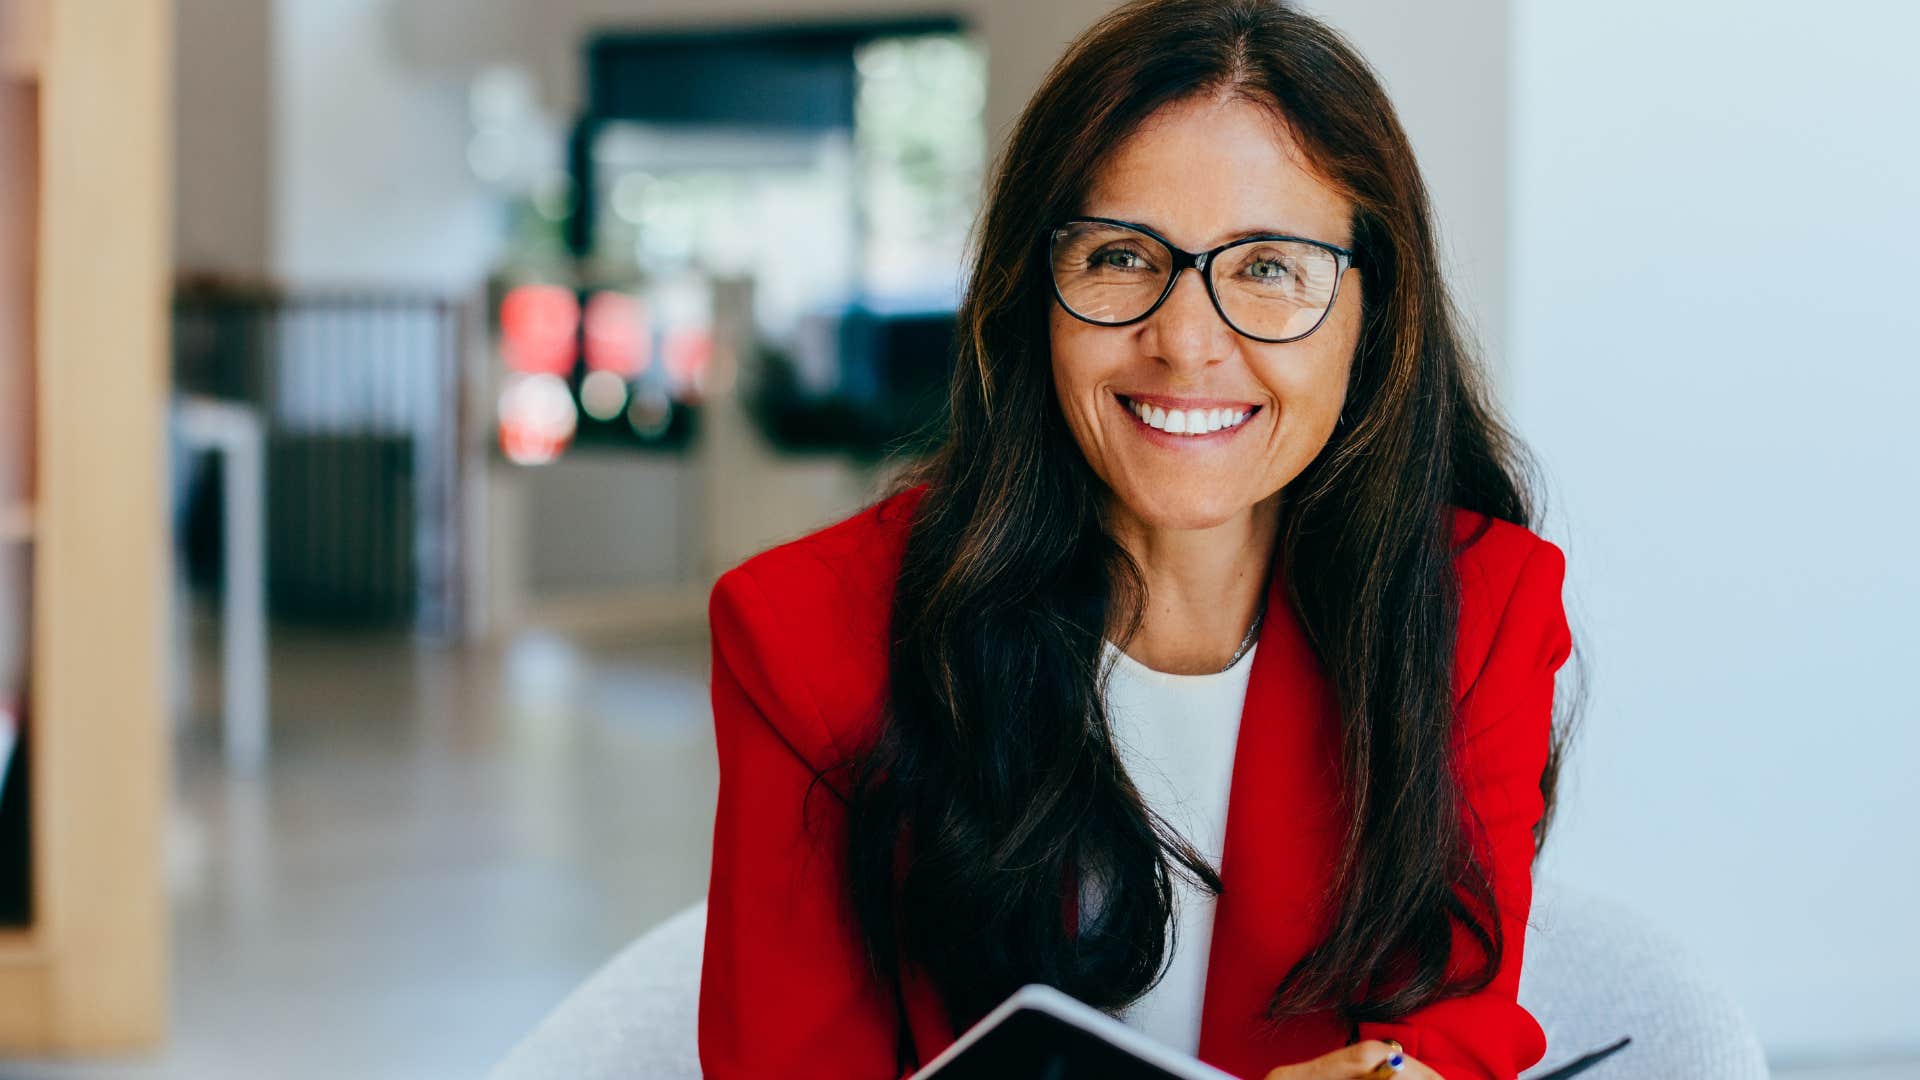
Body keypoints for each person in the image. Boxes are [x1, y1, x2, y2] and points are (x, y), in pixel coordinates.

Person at [698, 1, 1581, 1077]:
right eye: (1120, 255)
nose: (1186, 343)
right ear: (1033, 294)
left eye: (1268, 267)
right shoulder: (803, 634)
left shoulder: (1482, 605)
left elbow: (1456, 1026)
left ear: (1373, 312)